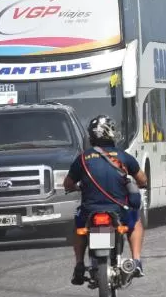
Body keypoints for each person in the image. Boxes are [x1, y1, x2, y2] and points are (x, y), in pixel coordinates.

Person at [63, 115, 148, 285]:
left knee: (78, 227)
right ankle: (136, 261)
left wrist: (76, 187)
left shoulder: (82, 159)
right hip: (118, 211)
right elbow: (143, 180)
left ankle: (79, 264)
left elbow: (68, 184)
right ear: (111, 134)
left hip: (89, 211)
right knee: (136, 222)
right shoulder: (124, 157)